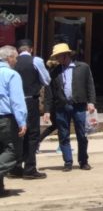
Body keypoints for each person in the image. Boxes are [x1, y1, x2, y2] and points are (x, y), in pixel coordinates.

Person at [42, 42, 96, 172]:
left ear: (66, 55)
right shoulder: (54, 71)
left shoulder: (82, 67)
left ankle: (83, 160)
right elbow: (49, 92)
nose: (57, 59)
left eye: (59, 56)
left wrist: (91, 102)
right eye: (56, 57)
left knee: (81, 135)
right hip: (61, 106)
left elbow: (90, 85)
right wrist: (47, 110)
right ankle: (68, 161)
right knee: (63, 134)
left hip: (79, 105)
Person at [9, 39, 48, 179]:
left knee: (18, 134)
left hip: (13, 102)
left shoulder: (12, 62)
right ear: (31, 49)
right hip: (30, 100)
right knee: (32, 134)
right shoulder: (36, 61)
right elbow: (46, 80)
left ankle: (15, 167)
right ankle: (30, 168)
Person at [0, 45, 28, 197]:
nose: (17, 60)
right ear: (9, 58)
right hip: (6, 119)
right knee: (14, 152)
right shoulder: (11, 74)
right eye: (16, 57)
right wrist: (22, 121)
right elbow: (17, 101)